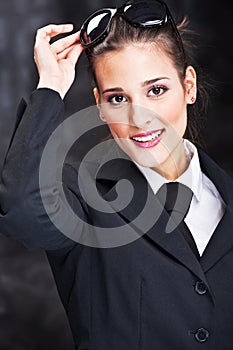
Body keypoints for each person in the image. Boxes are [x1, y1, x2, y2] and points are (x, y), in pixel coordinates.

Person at [0, 0, 233, 349]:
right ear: (100, 107)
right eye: (118, 99)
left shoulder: (227, 199)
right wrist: (51, 86)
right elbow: (19, 209)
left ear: (189, 86)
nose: (140, 119)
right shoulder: (83, 203)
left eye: (156, 90)